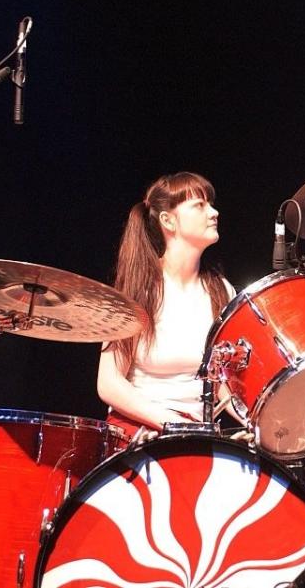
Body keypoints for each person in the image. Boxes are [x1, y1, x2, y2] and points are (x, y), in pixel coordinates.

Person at [97, 172, 233, 438]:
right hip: (139, 431)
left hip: (196, 433)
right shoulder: (139, 290)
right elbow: (109, 383)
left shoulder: (221, 290)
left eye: (211, 204)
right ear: (168, 220)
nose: (214, 212)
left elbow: (224, 385)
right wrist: (174, 425)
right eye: (200, 205)